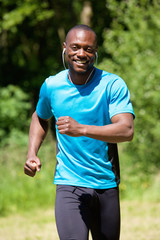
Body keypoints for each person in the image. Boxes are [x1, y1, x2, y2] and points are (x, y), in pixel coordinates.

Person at [24, 24, 135, 240]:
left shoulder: (112, 84)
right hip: (69, 182)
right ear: (65, 48)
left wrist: (81, 129)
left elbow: (127, 129)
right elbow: (40, 117)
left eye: (88, 49)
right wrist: (31, 153)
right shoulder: (52, 86)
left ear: (95, 52)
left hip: (106, 183)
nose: (81, 54)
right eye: (75, 47)